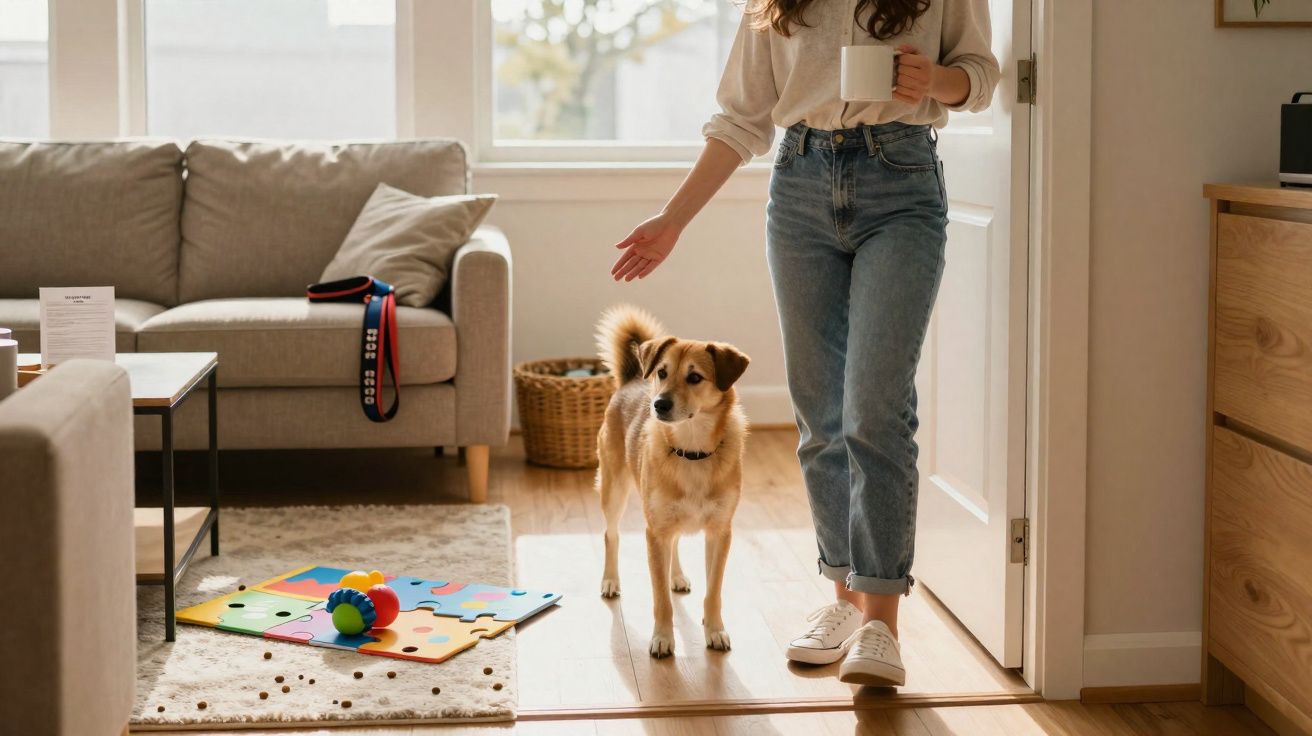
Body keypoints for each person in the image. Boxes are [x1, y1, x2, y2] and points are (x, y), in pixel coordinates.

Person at [609, 0, 1000, 686]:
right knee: (820, 410)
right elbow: (740, 118)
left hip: (902, 183)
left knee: (876, 408)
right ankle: (843, 601)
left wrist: (934, 81)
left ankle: (881, 623)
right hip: (799, 186)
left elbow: (982, 76)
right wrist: (673, 220)